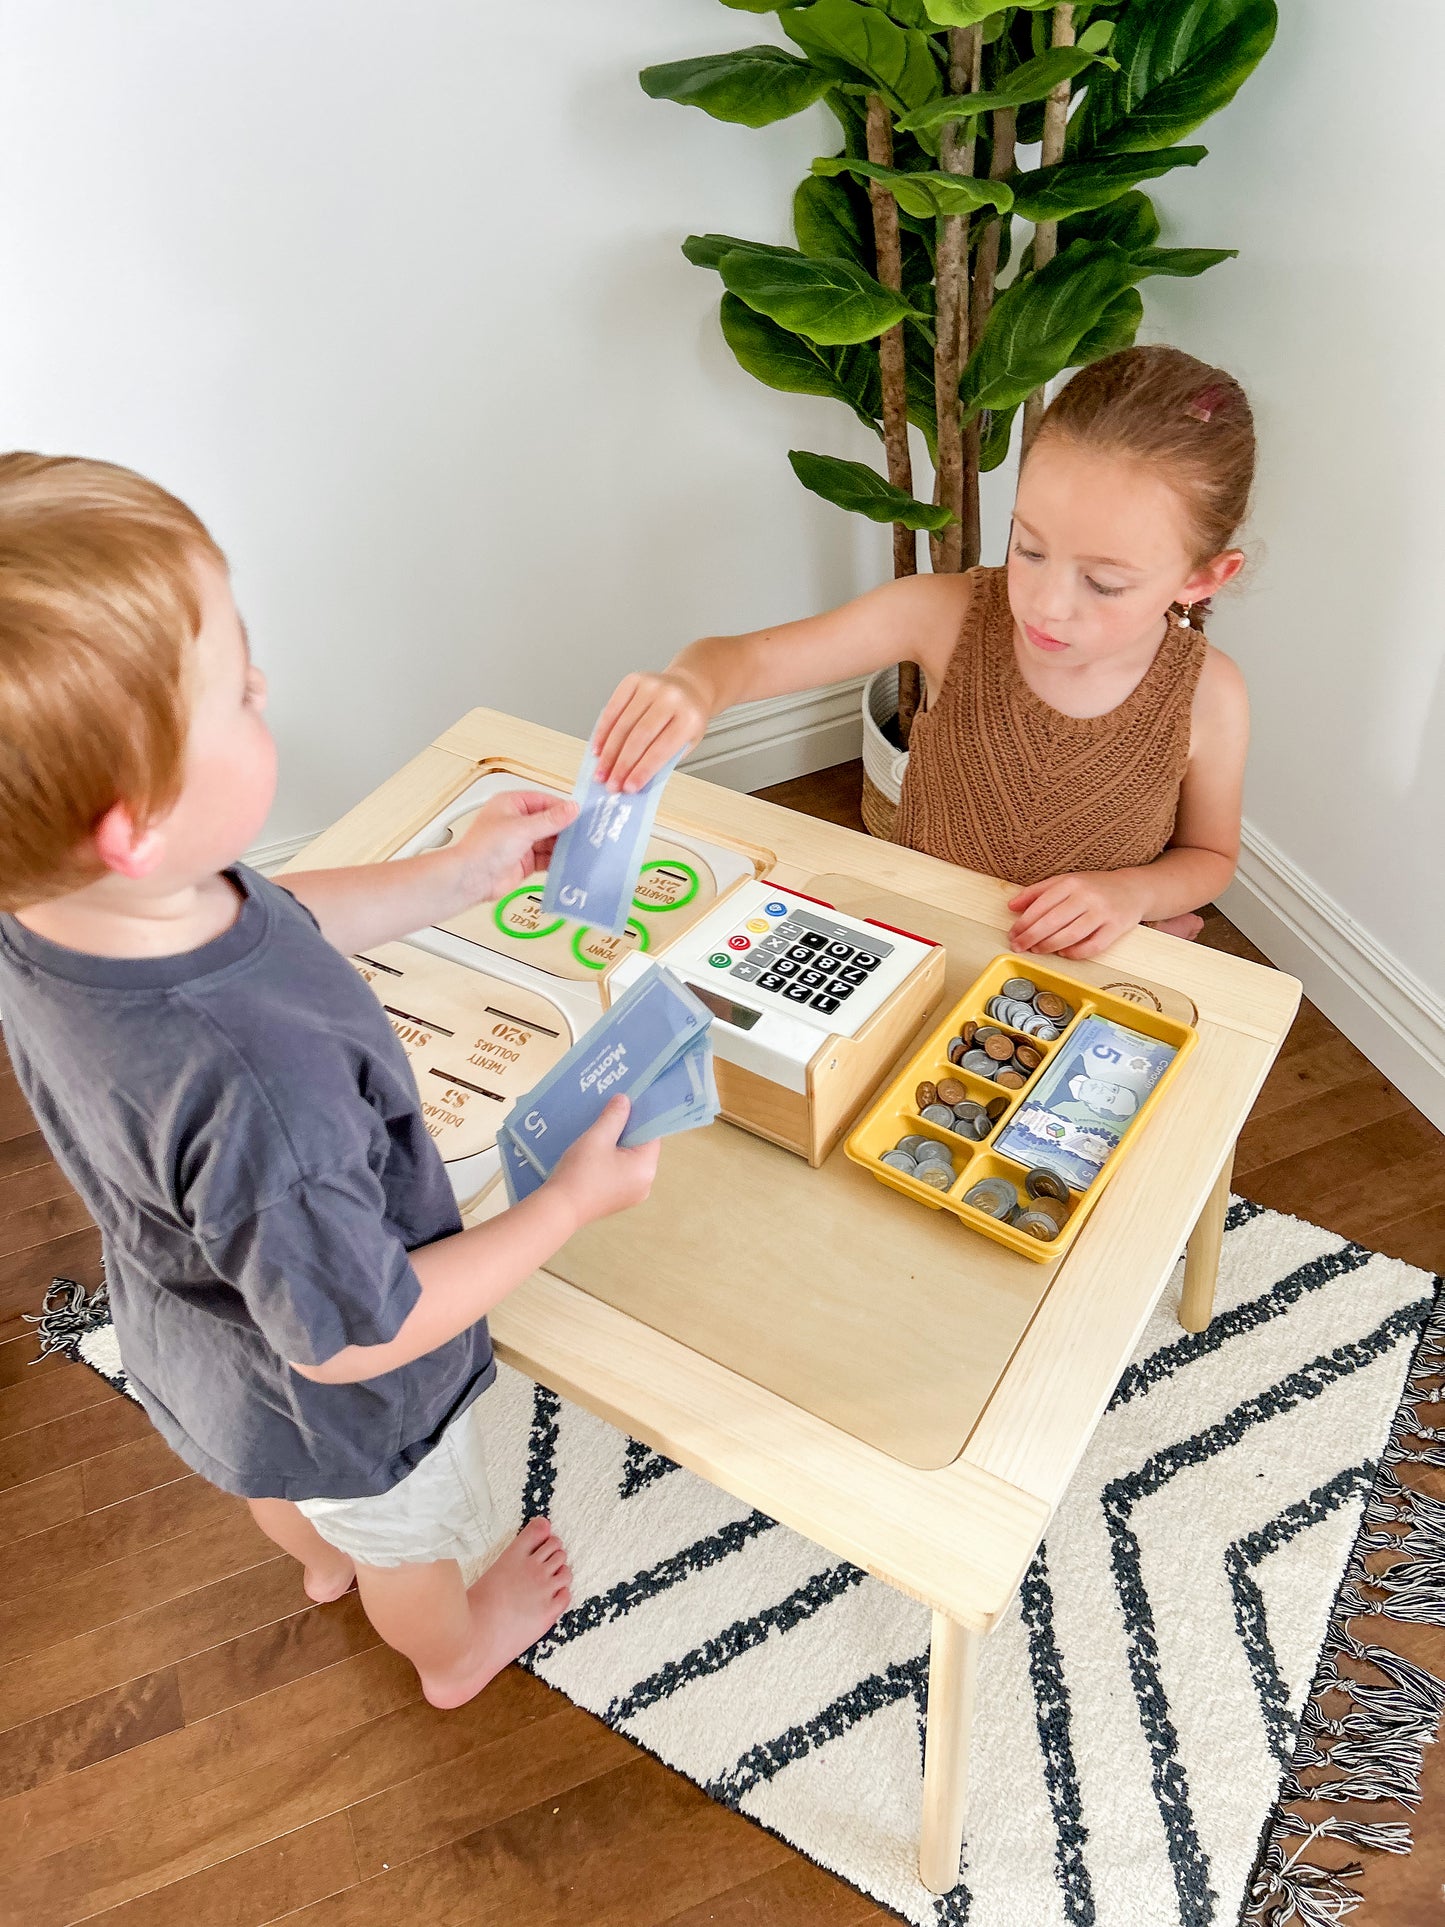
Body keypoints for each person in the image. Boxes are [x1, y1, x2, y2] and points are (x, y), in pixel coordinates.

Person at [0, 454, 660, 1710]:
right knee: (402, 1531)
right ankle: (451, 1650)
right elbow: (363, 1333)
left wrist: (459, 877)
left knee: (284, 1488)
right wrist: (562, 1208)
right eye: (233, 691)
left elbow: (276, 916)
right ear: (132, 828)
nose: (264, 684)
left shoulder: (58, 908)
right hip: (347, 1397)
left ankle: (315, 1557)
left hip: (196, 1333)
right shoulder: (264, 1093)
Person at [593, 345, 1255, 961]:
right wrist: (691, 684)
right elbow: (742, 660)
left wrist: (1135, 894)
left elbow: (1208, 854)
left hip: (1077, 967)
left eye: (1103, 582)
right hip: (918, 936)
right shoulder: (944, 615)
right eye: (1027, 546)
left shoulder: (1208, 696)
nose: (1047, 604)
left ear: (1201, 578)